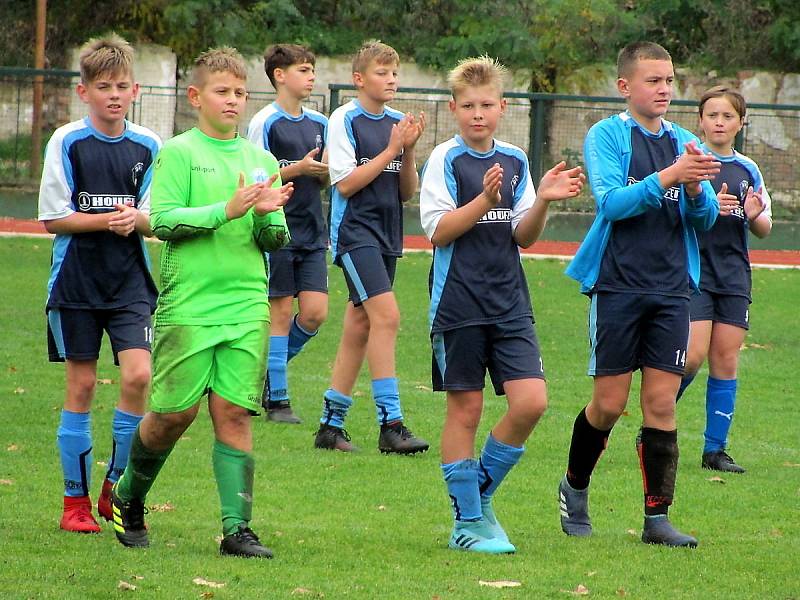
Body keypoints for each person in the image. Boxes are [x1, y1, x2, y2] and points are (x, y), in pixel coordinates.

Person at [110, 47, 293, 558]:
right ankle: (128, 494)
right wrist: (227, 208)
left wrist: (264, 215)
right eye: (222, 91)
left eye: (239, 92)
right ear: (196, 97)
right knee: (174, 414)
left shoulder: (261, 162)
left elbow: (274, 239)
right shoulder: (180, 153)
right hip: (188, 306)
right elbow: (163, 222)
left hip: (246, 305)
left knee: (233, 411)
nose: (233, 100)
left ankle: (237, 528)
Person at [558, 41, 720, 548]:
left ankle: (657, 520)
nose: (664, 89)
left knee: (661, 402)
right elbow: (611, 204)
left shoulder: (688, 140)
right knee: (608, 404)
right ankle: (574, 486)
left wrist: (695, 192)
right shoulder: (606, 135)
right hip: (618, 287)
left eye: (669, 80)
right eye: (653, 81)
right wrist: (671, 176)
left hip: (673, 290)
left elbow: (707, 218)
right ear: (626, 87)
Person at [420, 56, 585, 554]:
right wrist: (482, 198)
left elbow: (523, 237)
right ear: (453, 109)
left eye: (487, 104)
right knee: (465, 410)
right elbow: (438, 231)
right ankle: (468, 523)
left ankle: (477, 496)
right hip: (458, 303)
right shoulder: (444, 161)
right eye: (468, 105)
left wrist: (544, 202)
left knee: (532, 401)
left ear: (502, 107)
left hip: (510, 302)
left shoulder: (514, 159)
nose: (478, 113)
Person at [38, 34, 160, 534]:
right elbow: (52, 218)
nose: (114, 94)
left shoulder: (149, 145)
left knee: (138, 377)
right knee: (83, 384)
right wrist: (111, 218)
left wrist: (140, 219)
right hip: (76, 281)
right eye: (103, 86)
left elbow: (155, 215)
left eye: (123, 86)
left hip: (131, 280)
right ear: (84, 91)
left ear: (135, 91)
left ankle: (116, 484)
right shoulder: (67, 141)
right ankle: (74, 503)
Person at [314, 40, 428, 454]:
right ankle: (391, 423)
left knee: (360, 326)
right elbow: (344, 183)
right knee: (388, 317)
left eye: (395, 72)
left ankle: (330, 425)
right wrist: (391, 149)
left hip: (387, 235)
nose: (391, 79)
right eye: (382, 72)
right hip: (355, 233)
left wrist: (409, 150)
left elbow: (407, 191)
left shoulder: (398, 122)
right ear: (359, 79)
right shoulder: (344, 119)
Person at [676, 86, 772, 473]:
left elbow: (765, 227)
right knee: (692, 355)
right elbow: (675, 213)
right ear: (699, 121)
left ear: (740, 122)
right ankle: (657, 418)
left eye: (727, 116)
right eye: (712, 115)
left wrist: (752, 213)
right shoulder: (689, 161)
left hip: (733, 275)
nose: (719, 122)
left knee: (725, 359)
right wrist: (706, 204)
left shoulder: (748, 168)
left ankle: (715, 450)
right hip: (694, 272)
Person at [247, 44, 329, 425]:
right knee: (280, 311)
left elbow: (327, 175)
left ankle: (263, 376)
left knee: (314, 314)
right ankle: (278, 400)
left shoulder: (320, 123)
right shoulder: (265, 122)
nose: (311, 76)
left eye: (312, 69)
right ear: (280, 75)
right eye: (303, 69)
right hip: (278, 231)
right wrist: (297, 168)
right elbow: (257, 180)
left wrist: (325, 172)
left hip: (313, 232)